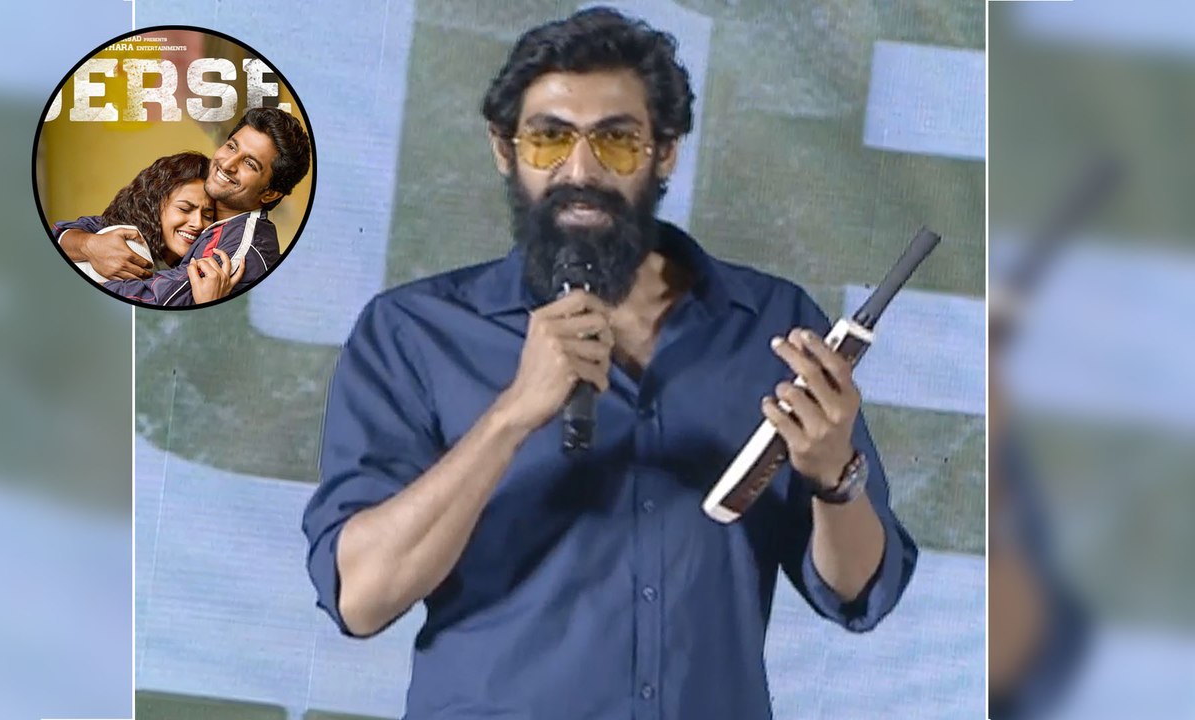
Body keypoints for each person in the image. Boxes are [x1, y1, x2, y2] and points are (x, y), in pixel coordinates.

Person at [302, 8, 917, 718]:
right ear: (504, 149)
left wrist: (835, 475)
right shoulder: (414, 333)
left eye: (617, 141)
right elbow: (361, 598)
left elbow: (860, 593)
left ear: (666, 152)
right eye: (549, 138)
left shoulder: (770, 325)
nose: (581, 170)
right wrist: (512, 415)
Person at [52, 106, 311, 306]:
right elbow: (75, 229)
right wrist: (88, 245)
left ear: (270, 193)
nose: (227, 164)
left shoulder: (237, 250)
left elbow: (154, 302)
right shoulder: (208, 196)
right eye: (232, 147)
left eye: (250, 164)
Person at [57, 151, 242, 303]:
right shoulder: (128, 246)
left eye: (208, 215)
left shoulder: (191, 261)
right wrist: (88, 245)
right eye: (184, 209)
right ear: (153, 205)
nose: (198, 223)